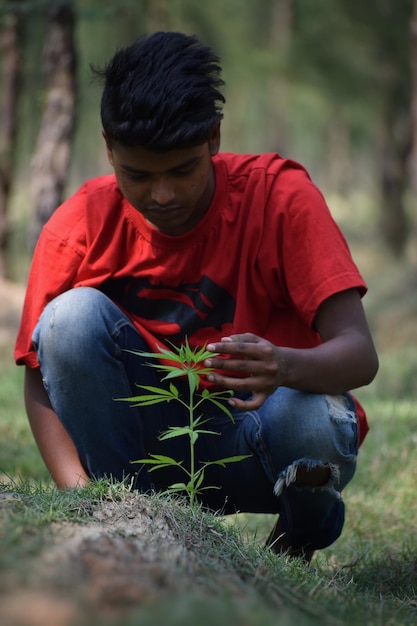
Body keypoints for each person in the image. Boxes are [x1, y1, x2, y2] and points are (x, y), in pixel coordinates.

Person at [15, 31, 378, 562]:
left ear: (213, 137)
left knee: (314, 422)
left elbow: (359, 354)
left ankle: (298, 539)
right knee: (68, 319)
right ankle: (128, 516)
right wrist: (85, 503)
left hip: (255, 439)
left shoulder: (278, 200)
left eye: (182, 170)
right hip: (140, 448)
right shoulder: (79, 226)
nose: (162, 195)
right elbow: (39, 378)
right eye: (137, 175)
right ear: (109, 148)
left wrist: (281, 365)